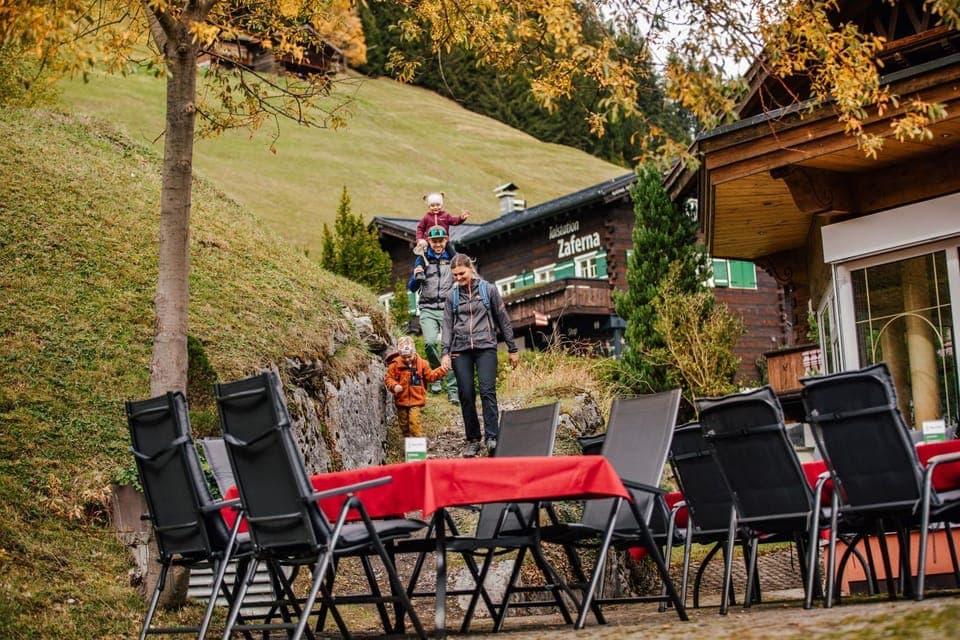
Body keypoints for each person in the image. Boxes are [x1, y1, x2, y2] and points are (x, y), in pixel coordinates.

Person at [441, 254, 520, 457]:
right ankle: (473, 439)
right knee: (466, 394)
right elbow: (447, 326)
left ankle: (492, 437)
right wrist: (445, 353)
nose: (458, 278)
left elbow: (503, 319)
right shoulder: (452, 296)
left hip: (486, 346)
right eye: (455, 275)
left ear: (471, 268)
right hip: (460, 349)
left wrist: (512, 348)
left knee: (487, 391)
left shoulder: (488, 290)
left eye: (462, 273)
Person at [409, 225, 459, 403]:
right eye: (434, 241)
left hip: (447, 308)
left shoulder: (452, 258)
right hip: (428, 308)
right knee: (430, 343)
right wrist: (416, 276)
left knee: (451, 349)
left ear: (446, 240)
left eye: (441, 241)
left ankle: (453, 390)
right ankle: (437, 377)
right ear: (429, 241)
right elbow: (412, 287)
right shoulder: (422, 258)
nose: (438, 244)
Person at [385, 336, 449, 438]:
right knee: (404, 426)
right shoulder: (394, 365)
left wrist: (443, 370)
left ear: (414, 352)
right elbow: (388, 378)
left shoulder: (422, 364)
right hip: (401, 401)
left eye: (409, 356)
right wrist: (394, 386)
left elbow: (431, 377)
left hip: (416, 401)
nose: (407, 359)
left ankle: (418, 450)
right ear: (399, 354)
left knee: (414, 424)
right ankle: (409, 446)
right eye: (404, 357)